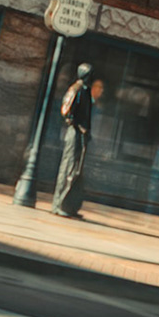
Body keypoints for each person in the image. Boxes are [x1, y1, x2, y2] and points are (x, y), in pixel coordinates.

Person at [52, 64, 96, 217]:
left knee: (77, 168)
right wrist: (78, 125)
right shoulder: (76, 89)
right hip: (75, 133)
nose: (91, 77)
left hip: (82, 134)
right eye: (89, 74)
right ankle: (60, 204)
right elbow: (66, 111)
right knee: (69, 166)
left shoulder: (86, 90)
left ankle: (70, 206)